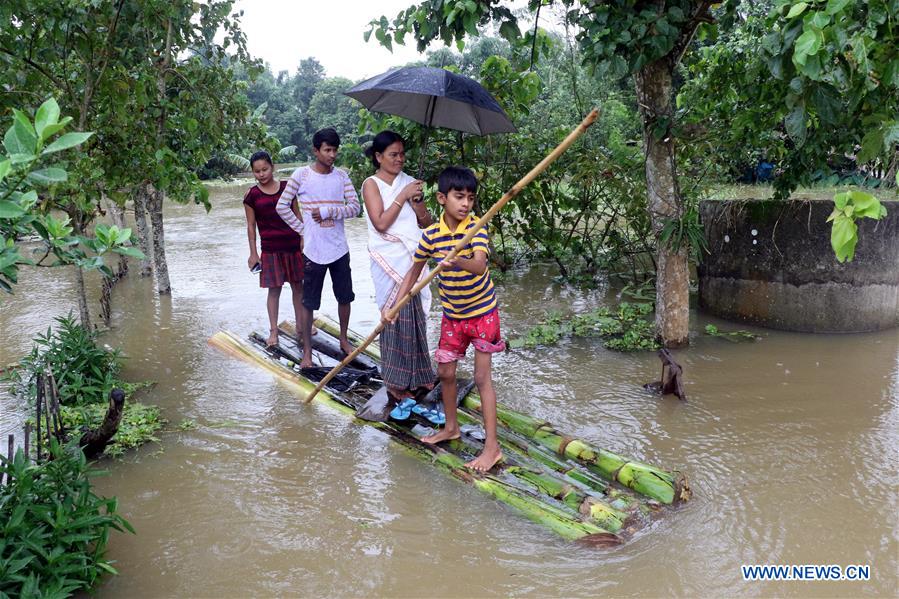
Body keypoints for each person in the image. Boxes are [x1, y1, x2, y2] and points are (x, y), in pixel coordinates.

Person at [384, 166, 504, 473]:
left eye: (470, 198)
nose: (465, 204)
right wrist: (394, 307)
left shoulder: (476, 227)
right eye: (458, 197)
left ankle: (493, 448)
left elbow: (478, 266)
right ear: (441, 198)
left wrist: (456, 259)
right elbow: (413, 272)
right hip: (453, 317)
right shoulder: (431, 235)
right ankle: (451, 427)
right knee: (446, 372)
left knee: (481, 379)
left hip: (482, 314)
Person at [276, 128, 361, 368]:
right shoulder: (301, 175)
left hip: (339, 248)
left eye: (335, 150)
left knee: (345, 296)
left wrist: (330, 211)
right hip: (313, 250)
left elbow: (355, 208)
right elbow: (282, 206)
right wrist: (302, 229)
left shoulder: (342, 177)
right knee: (309, 301)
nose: (332, 155)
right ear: (316, 151)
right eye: (327, 150)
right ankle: (306, 353)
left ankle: (344, 339)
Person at [361, 131, 436, 401]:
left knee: (415, 318)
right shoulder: (371, 184)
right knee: (393, 318)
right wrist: (402, 195)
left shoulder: (410, 184)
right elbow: (381, 223)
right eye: (393, 155)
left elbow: (427, 225)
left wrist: (418, 207)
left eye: (402, 154)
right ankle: (395, 381)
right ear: (379, 157)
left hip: (413, 259)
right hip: (387, 259)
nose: (399, 159)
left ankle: (420, 375)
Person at [243, 150, 305, 348]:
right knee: (274, 290)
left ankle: (302, 326)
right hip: (270, 249)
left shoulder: (288, 189)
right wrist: (253, 253)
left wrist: (304, 238)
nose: (261, 174)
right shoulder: (252, 196)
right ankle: (273, 331)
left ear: (273, 167)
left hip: (293, 245)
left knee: (298, 287)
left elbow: (298, 215)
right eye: (257, 171)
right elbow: (251, 226)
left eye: (265, 169)